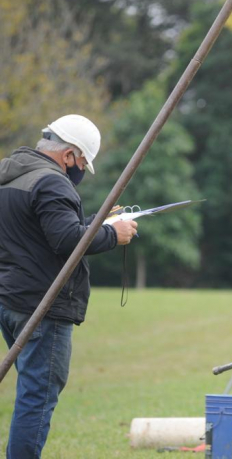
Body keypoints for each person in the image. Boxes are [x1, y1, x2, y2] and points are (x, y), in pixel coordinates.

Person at [0, 114, 138, 458]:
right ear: (68, 155)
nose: (78, 171)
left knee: (32, 391)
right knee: (38, 396)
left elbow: (42, 233)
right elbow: (65, 240)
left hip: (11, 299)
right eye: (81, 163)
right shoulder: (52, 182)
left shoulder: (10, 175)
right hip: (43, 305)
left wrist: (95, 223)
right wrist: (112, 234)